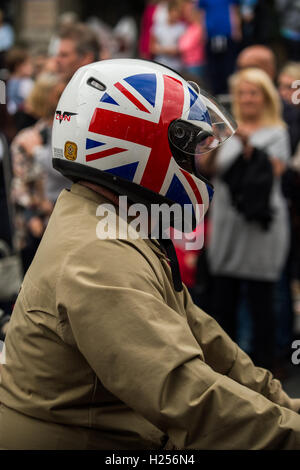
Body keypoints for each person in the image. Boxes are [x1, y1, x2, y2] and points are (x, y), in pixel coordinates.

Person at [0, 59, 300, 450]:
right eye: (186, 149)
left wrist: (284, 406)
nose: (196, 163)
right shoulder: (99, 256)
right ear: (136, 146)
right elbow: (187, 395)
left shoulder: (115, 223)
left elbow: (207, 342)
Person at [199, 68, 291, 371]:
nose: (247, 98)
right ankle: (226, 367)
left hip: (260, 222)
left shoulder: (277, 131)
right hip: (227, 220)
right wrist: (221, 140)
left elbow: (275, 171)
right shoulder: (226, 130)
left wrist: (249, 145)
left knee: (261, 301)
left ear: (264, 97)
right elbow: (209, 168)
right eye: (242, 93)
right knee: (223, 299)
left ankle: (265, 367)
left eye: (253, 93)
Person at [10, 73, 68, 274]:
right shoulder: (28, 138)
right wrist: (34, 212)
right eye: (59, 93)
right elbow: (21, 186)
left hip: (66, 219)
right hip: (40, 226)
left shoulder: (71, 134)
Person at [197, 0, 242, 94]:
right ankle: (216, 93)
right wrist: (202, 32)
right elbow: (201, 14)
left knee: (228, 65)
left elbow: (234, 10)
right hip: (211, 36)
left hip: (227, 35)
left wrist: (237, 29)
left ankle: (229, 91)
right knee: (213, 67)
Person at [150, 0, 186, 72]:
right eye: (173, 12)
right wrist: (168, 50)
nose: (175, 16)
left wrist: (161, 49)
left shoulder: (182, 28)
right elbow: (151, 48)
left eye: (177, 13)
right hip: (160, 64)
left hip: (177, 67)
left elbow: (181, 49)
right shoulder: (158, 27)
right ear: (169, 12)